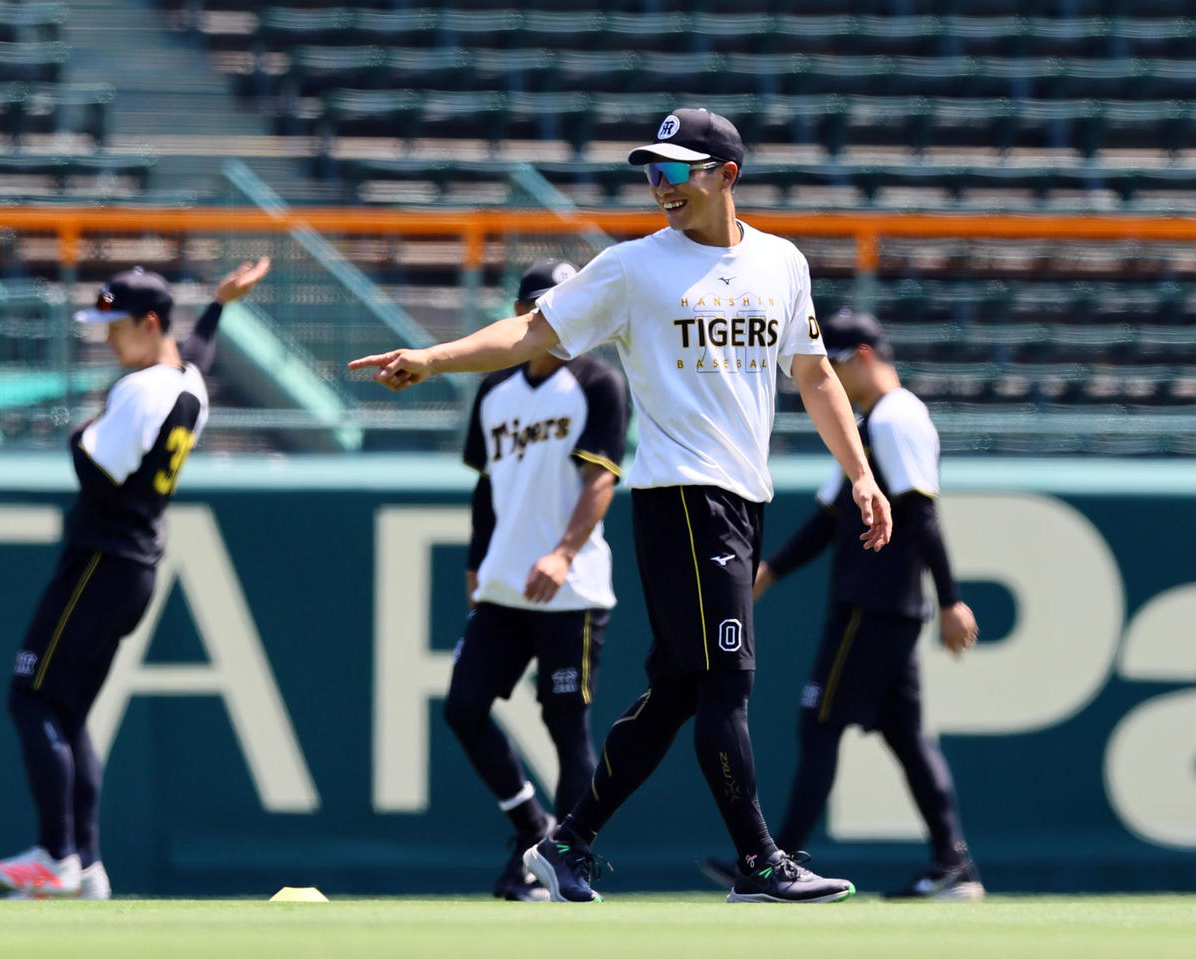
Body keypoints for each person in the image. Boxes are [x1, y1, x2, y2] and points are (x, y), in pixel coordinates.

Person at [350, 107, 892, 904]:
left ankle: (563, 841)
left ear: (725, 176)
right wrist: (431, 358)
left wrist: (861, 473)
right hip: (682, 496)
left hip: (742, 497)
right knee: (726, 684)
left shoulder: (781, 264)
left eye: (674, 170)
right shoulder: (633, 266)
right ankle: (759, 862)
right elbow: (532, 333)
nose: (658, 186)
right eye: (651, 171)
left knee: (679, 689)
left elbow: (811, 375)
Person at [0, 257, 271, 899]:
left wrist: (81, 432)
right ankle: (86, 864)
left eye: (117, 325)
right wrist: (220, 306)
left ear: (150, 321)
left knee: (29, 695)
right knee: (69, 710)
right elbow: (195, 352)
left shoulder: (140, 390)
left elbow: (93, 464)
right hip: (135, 563)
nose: (107, 337)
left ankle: (56, 856)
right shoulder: (187, 383)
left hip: (101, 560)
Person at [700, 308, 984, 901]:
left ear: (860, 355)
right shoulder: (872, 422)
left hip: (873, 603)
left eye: (832, 360)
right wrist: (771, 570)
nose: (825, 372)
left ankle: (775, 861)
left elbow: (921, 514)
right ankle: (953, 863)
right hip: (886, 604)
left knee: (819, 724)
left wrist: (952, 599)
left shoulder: (896, 417)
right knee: (905, 736)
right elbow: (832, 518)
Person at [447, 260, 630, 901]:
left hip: (569, 586)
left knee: (564, 722)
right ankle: (531, 827)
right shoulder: (496, 388)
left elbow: (601, 479)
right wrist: (475, 562)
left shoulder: (598, 382)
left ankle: (567, 858)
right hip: (503, 582)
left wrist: (563, 552)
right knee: (464, 707)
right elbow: (485, 486)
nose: (543, 320)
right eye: (533, 308)